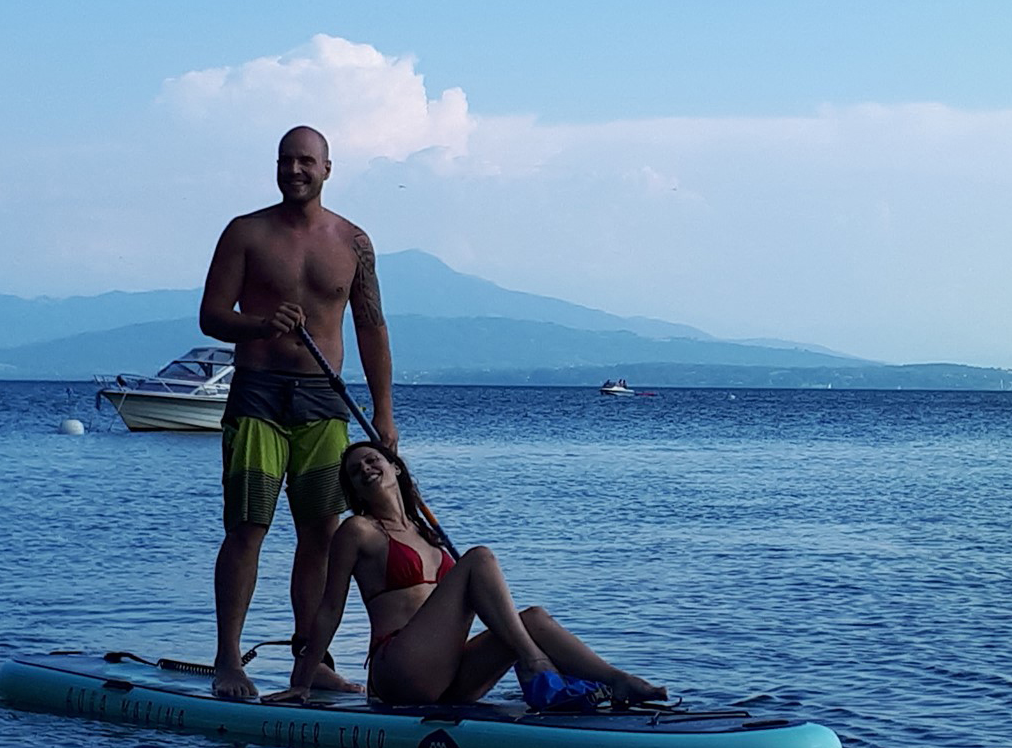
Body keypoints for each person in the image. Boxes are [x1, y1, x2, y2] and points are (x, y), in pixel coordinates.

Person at [198, 125, 399, 697]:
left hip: (323, 402)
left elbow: (371, 327)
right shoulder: (245, 233)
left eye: (306, 162)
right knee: (247, 529)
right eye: (286, 161)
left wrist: (383, 414)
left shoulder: (353, 242)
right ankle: (228, 661)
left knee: (321, 535)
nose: (295, 171)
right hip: (258, 396)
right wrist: (258, 325)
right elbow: (211, 316)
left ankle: (310, 661)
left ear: (327, 169)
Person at [266, 442, 666, 708]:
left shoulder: (428, 534)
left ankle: (617, 680)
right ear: (353, 488)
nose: (366, 469)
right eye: (355, 471)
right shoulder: (358, 531)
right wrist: (302, 680)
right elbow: (330, 608)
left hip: (449, 674)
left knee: (534, 618)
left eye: (373, 460)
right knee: (479, 559)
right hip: (399, 670)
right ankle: (536, 666)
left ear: (395, 468)